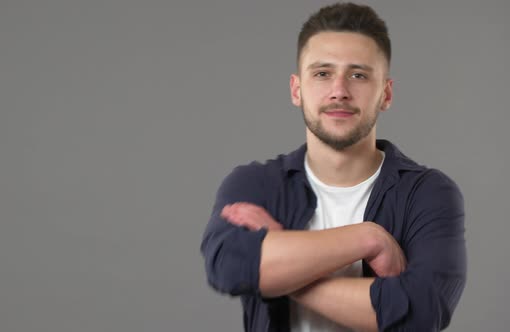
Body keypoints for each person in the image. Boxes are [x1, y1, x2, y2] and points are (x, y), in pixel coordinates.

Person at [200, 2, 467, 332]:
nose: (339, 91)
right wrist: (367, 238)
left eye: (358, 75)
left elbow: (422, 312)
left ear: (386, 93)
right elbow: (231, 268)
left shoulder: (427, 193)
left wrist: (283, 263)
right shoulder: (257, 185)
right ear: (297, 89)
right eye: (323, 73)